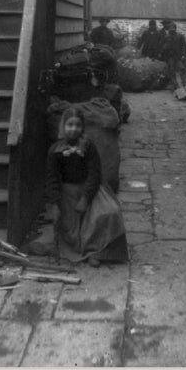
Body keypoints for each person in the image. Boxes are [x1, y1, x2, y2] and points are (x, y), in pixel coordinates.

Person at [44, 104, 128, 264]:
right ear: (63, 126)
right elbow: (52, 178)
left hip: (89, 189)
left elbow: (94, 174)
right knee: (71, 227)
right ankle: (81, 250)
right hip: (66, 192)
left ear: (82, 127)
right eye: (70, 125)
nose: (73, 129)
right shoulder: (55, 150)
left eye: (77, 125)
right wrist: (54, 203)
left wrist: (85, 198)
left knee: (109, 213)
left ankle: (96, 252)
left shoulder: (88, 147)